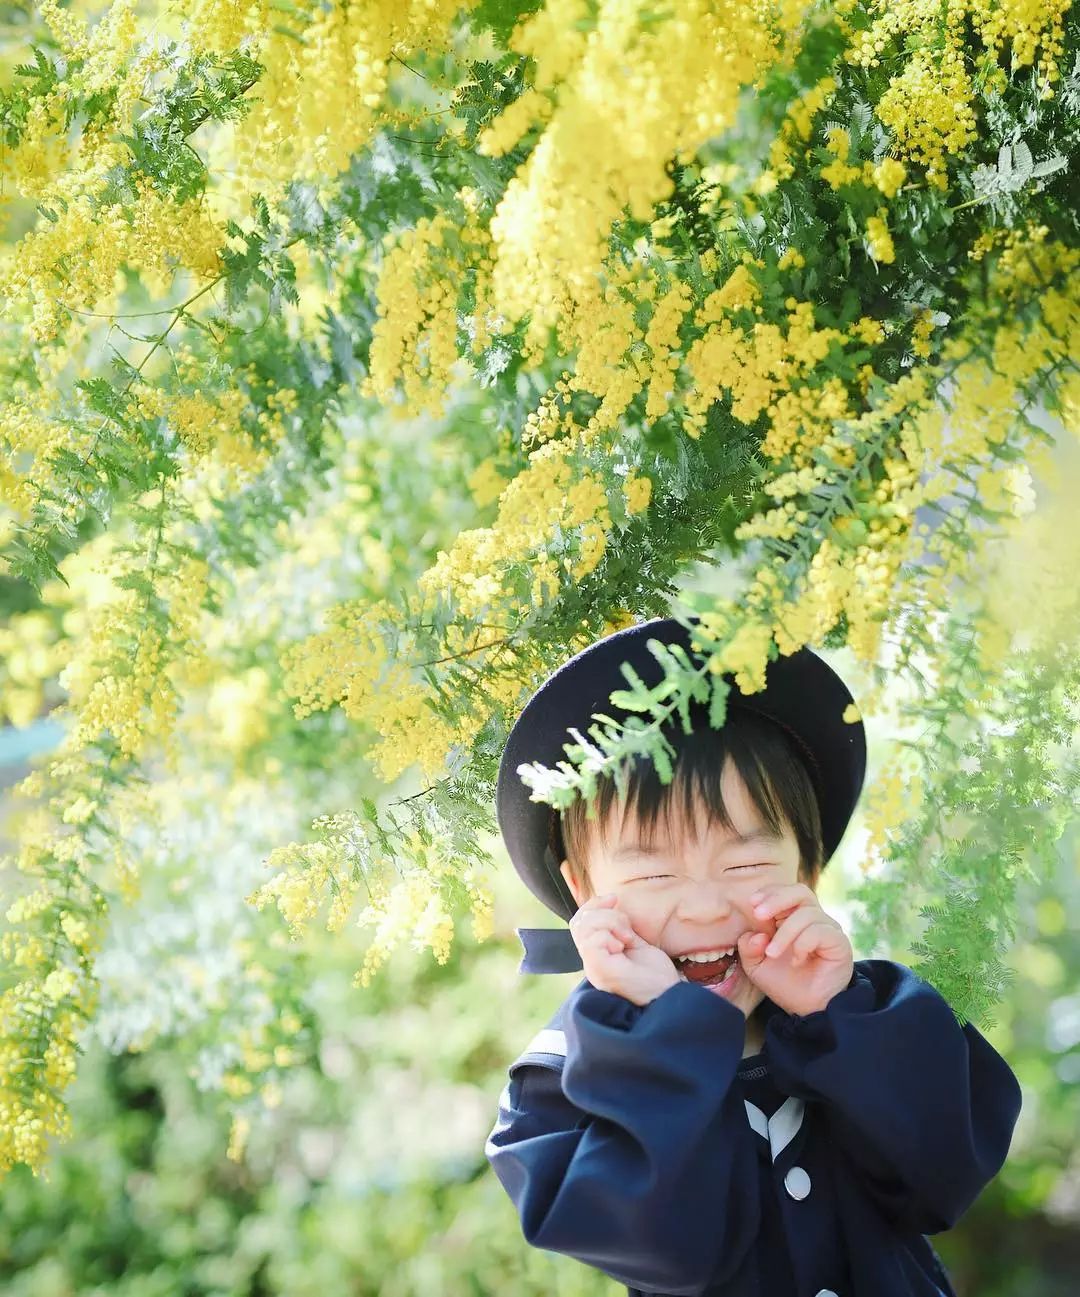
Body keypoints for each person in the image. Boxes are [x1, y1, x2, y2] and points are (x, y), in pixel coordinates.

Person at [485, 614, 1022, 1297]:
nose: (706, 906)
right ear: (584, 889)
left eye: (745, 862)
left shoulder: (868, 1011)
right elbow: (672, 1248)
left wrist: (837, 1012)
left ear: (808, 868)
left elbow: (944, 1178)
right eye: (653, 874)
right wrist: (667, 1029)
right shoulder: (564, 1076)